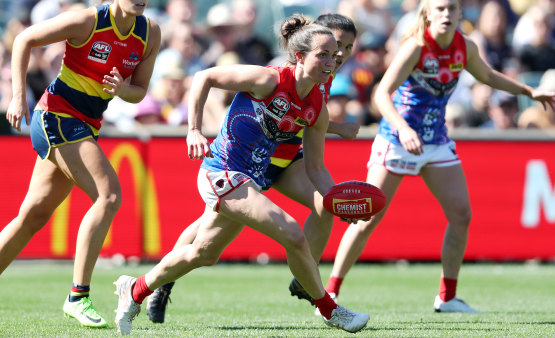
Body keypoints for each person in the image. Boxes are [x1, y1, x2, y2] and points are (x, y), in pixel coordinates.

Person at [113, 14, 369, 335]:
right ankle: (331, 310)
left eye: (337, 54)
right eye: (324, 54)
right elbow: (203, 77)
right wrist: (193, 130)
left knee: (201, 254)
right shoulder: (268, 79)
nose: (334, 60)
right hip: (222, 172)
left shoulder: (317, 105)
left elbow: (315, 168)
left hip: (251, 180)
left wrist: (334, 200)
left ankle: (135, 290)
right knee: (293, 233)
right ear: (300, 56)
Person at [322, 0, 555, 314]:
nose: (446, 14)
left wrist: (530, 91)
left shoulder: (465, 47)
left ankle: (447, 298)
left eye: (452, 9)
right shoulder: (416, 46)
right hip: (398, 138)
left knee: (461, 216)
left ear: (460, 13)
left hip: (435, 141)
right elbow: (380, 94)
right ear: (427, 14)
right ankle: (330, 294)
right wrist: (403, 129)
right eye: (440, 8)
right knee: (367, 217)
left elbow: (488, 76)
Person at [1, 0, 161, 327]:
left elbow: (140, 92)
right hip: (56, 116)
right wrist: (18, 96)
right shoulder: (88, 20)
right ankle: (77, 296)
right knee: (110, 195)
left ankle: (76, 296)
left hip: (86, 124)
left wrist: (123, 89)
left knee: (33, 216)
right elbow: (23, 40)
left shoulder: (150, 32)